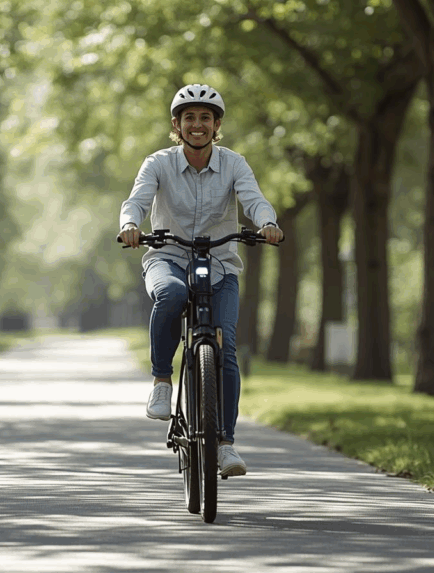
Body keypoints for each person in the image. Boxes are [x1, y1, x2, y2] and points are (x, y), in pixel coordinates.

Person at [118, 84, 283, 477]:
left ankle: (225, 444)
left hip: (220, 263)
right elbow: (137, 201)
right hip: (168, 258)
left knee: (225, 349)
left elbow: (254, 199)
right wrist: (129, 225)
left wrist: (268, 222)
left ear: (216, 125)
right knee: (171, 295)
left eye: (205, 118)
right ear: (177, 125)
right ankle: (162, 380)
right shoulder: (157, 163)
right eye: (189, 118)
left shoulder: (234, 164)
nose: (197, 125)